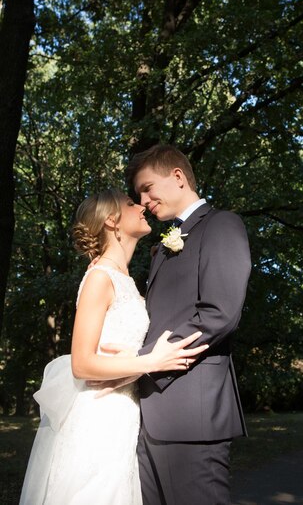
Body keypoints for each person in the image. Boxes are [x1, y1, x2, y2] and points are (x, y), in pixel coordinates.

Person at [19, 188, 208, 505]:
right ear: (111, 220)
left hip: (123, 413)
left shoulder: (126, 279)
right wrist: (152, 361)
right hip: (97, 417)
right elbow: (82, 364)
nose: (142, 206)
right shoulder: (99, 278)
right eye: (131, 203)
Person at [101, 145, 252, 504]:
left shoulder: (221, 224)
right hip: (148, 414)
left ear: (178, 177)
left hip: (191, 415)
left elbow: (220, 312)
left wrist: (142, 362)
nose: (143, 199)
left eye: (148, 187)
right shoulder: (162, 248)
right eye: (139, 193)